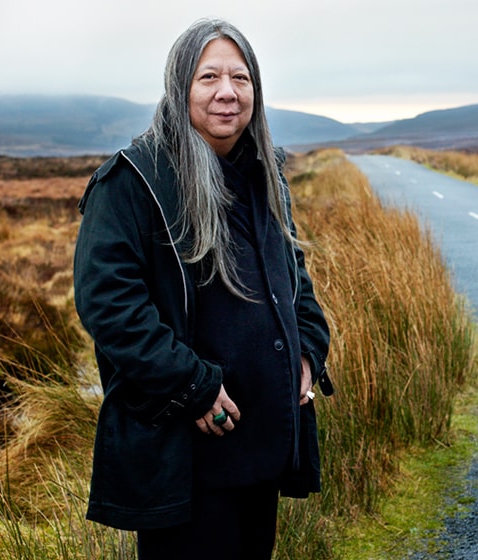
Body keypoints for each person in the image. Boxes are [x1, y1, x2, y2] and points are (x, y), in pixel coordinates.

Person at [73, 18, 332, 559]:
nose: (227, 93)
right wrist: (193, 387)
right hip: (187, 450)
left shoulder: (265, 172)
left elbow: (292, 269)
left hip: (263, 439)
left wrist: (309, 351)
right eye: (208, 76)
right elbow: (109, 304)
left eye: (240, 78)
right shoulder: (133, 181)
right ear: (179, 88)